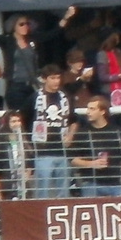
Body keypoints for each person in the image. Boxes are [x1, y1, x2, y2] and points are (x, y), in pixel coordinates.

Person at [71, 95, 121, 196]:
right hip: (90, 184)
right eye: (88, 108)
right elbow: (73, 160)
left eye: (92, 109)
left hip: (115, 183)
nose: (88, 112)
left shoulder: (117, 131)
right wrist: (92, 164)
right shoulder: (82, 133)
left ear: (102, 111)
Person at [30, 65, 73, 199]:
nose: (56, 81)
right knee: (42, 192)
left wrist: (70, 135)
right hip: (42, 152)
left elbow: (74, 120)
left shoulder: (65, 97)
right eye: (52, 78)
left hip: (62, 151)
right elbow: (23, 120)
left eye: (58, 78)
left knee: (63, 193)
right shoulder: (35, 97)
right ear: (44, 79)